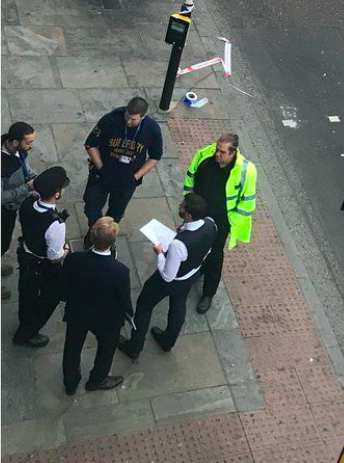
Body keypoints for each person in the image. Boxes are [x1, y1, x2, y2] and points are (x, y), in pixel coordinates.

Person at [118, 193, 216, 359]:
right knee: (178, 306)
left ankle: (134, 347)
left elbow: (168, 275)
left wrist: (160, 253)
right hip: (190, 276)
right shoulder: (211, 224)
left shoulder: (180, 244)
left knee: (144, 306)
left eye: (182, 207)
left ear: (189, 215)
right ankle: (167, 341)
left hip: (171, 281)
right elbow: (208, 251)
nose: (180, 207)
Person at [184, 134, 257, 314]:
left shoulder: (246, 170)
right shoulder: (205, 155)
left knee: (215, 256)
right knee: (193, 245)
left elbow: (247, 202)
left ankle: (208, 293)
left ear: (233, 152)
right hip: (198, 213)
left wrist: (232, 223)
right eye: (217, 149)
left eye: (222, 152)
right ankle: (195, 271)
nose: (217, 154)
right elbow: (191, 176)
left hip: (220, 219)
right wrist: (188, 202)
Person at [61, 217, 130, 395]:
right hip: (106, 318)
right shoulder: (120, 271)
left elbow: (64, 285)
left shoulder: (74, 259)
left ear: (91, 237)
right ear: (112, 242)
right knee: (107, 348)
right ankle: (97, 380)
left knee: (72, 347)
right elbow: (124, 299)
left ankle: (70, 383)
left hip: (78, 311)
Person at [83, 96, 163, 247]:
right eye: (127, 116)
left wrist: (136, 176)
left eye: (133, 119)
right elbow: (90, 144)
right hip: (101, 176)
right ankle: (95, 231)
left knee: (116, 212)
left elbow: (155, 157)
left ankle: (107, 238)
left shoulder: (152, 130)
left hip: (127, 182)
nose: (128, 121)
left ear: (143, 117)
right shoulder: (110, 120)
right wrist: (101, 168)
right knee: (91, 206)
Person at [14, 167, 70, 348]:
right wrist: (66, 250)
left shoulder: (27, 204)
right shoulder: (56, 224)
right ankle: (27, 333)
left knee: (26, 293)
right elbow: (54, 257)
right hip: (41, 266)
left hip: (26, 256)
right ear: (57, 194)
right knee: (48, 300)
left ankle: (24, 320)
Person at [1, 122, 38, 299]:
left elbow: (26, 168)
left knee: (4, 243)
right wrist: (26, 187)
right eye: (28, 143)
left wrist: (35, 179)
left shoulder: (18, 150)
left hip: (12, 206)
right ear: (15, 142)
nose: (32, 146)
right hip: (3, 211)